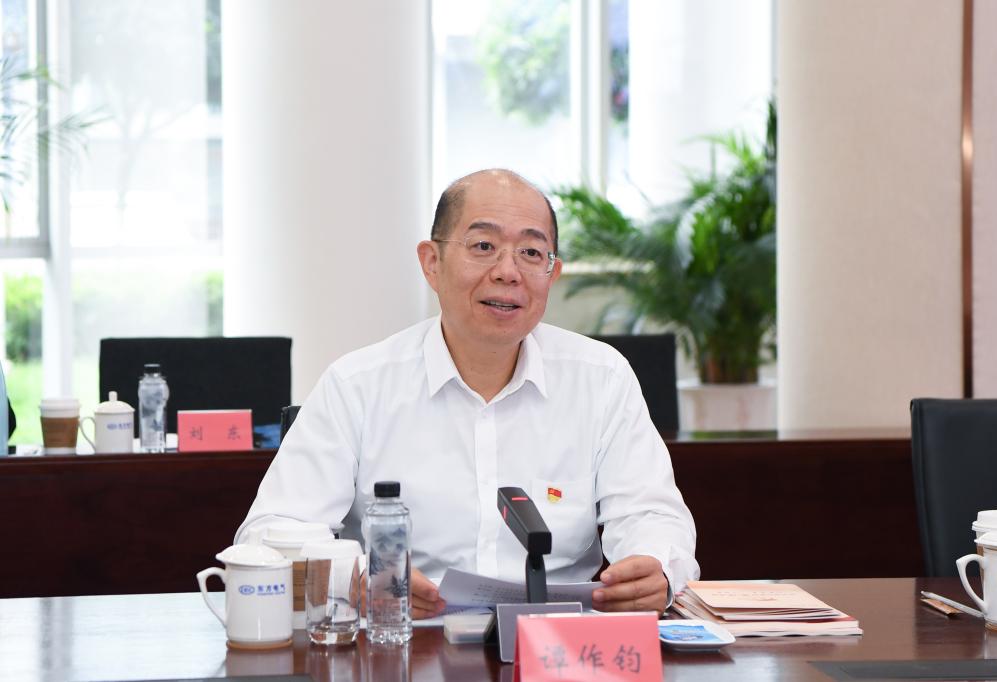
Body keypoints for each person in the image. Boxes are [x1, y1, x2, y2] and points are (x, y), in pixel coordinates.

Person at [237, 169, 698, 618]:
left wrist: (655, 565)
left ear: (552, 273)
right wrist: (355, 576)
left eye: (531, 253)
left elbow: (652, 513)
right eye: (483, 246)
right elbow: (269, 532)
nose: (508, 272)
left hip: (556, 642)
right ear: (431, 263)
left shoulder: (601, 378)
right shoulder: (356, 385)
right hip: (406, 637)